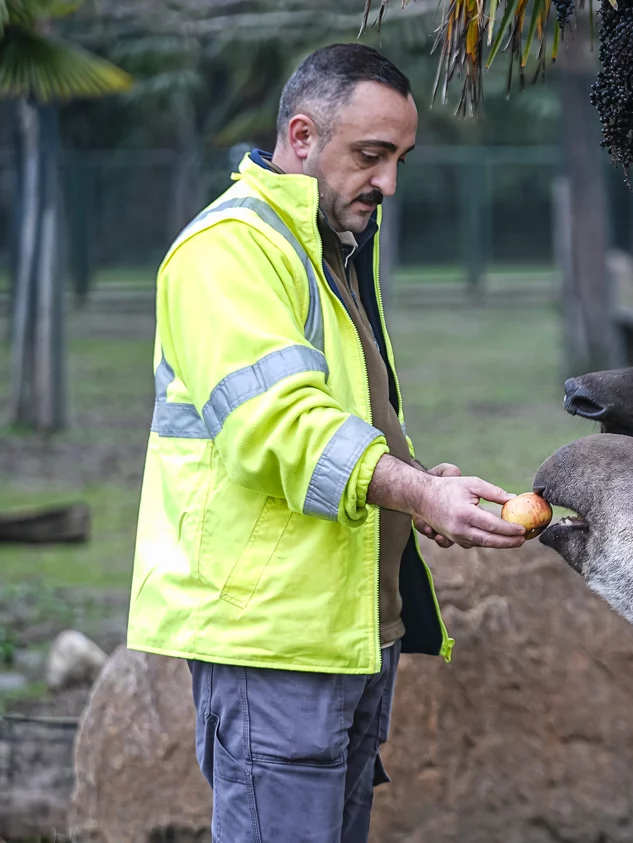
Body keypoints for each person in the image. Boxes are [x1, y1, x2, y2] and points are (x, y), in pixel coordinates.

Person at [125, 42, 528, 843]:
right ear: (302, 137)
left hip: (346, 632)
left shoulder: (329, 252)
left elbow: (347, 416)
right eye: (371, 156)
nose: (388, 183)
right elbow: (279, 429)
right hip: (275, 642)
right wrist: (416, 493)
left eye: (401, 159)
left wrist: (421, 481)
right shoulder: (230, 253)